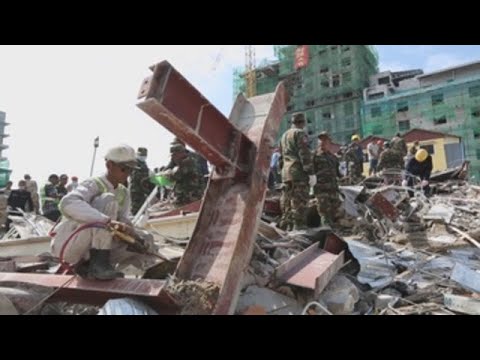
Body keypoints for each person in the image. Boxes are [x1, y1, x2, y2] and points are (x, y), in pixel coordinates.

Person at [51, 144, 158, 280]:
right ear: (109, 165)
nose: (127, 174)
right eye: (124, 169)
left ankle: (151, 273)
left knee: (145, 239)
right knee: (108, 201)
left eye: (130, 171)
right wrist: (106, 221)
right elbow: (67, 203)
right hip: (71, 245)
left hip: (94, 250)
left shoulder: (123, 192)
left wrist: (133, 235)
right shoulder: (93, 184)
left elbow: (123, 220)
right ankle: (97, 265)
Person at [278, 113, 316, 231]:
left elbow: (281, 156)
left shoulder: (284, 136)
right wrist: (311, 173)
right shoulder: (299, 133)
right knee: (300, 201)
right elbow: (304, 154)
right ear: (303, 122)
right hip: (297, 172)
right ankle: (299, 227)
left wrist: (282, 171)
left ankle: (288, 226)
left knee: (288, 200)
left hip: (286, 173)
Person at [313, 132, 342, 227]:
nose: (322, 142)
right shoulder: (314, 156)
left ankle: (333, 232)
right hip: (321, 190)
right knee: (324, 212)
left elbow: (338, 173)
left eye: (325, 140)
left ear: (329, 142)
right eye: (320, 140)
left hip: (333, 190)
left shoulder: (333, 158)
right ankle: (326, 231)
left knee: (334, 212)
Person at [130, 147, 155, 215]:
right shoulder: (135, 164)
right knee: (136, 209)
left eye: (144, 155)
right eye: (141, 155)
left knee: (143, 208)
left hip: (143, 191)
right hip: (136, 190)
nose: (143, 157)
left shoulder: (144, 164)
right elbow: (138, 178)